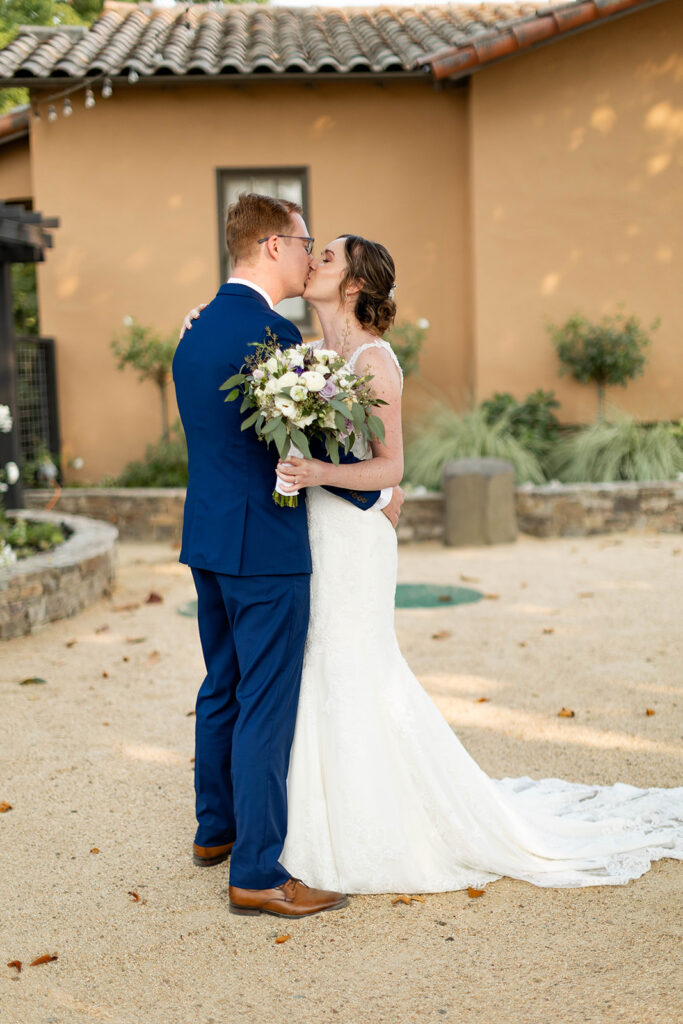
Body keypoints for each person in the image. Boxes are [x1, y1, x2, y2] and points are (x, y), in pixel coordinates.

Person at [182, 223, 682, 897]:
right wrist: (201, 321)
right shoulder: (301, 354)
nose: (311, 262)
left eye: (324, 256)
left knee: (349, 669)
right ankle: (297, 824)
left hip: (350, 540)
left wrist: (326, 476)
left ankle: (358, 824)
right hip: (308, 536)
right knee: (307, 675)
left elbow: (390, 466)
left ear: (352, 283)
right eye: (308, 248)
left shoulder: (373, 361)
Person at [172, 194, 403, 919]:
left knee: (222, 686)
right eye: (305, 242)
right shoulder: (273, 339)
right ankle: (259, 872)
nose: (309, 254)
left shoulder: (196, 328)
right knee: (267, 703)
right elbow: (315, 444)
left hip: (207, 537)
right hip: (264, 547)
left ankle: (216, 831)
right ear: (273, 246)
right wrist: (372, 495)